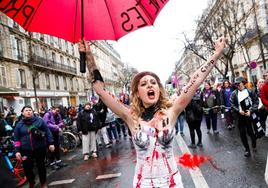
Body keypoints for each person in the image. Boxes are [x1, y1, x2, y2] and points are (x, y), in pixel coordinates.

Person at [79, 36, 226, 187]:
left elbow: (195, 81)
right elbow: (100, 90)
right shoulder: (130, 116)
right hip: (144, 183)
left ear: (158, 89)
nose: (149, 85)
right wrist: (89, 56)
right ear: (137, 92)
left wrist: (216, 53)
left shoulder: (171, 111)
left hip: (172, 182)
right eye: (144, 84)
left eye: (153, 83)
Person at [14, 105, 55, 188]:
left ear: (32, 112)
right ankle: (31, 182)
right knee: (27, 168)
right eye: (26, 110)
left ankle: (43, 183)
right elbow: (16, 139)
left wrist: (51, 143)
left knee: (41, 166)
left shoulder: (39, 121)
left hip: (39, 148)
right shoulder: (19, 125)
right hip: (25, 150)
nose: (28, 112)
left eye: (30, 110)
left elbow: (47, 132)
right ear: (22, 113)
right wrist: (17, 151)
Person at [230, 77, 258, 157]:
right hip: (239, 116)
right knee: (242, 133)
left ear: (243, 83)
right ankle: (247, 149)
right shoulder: (234, 93)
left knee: (250, 132)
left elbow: (256, 102)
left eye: (239, 83)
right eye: (236, 84)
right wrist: (238, 110)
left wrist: (251, 110)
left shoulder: (250, 91)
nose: (237, 85)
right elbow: (232, 104)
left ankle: (253, 142)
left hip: (249, 114)